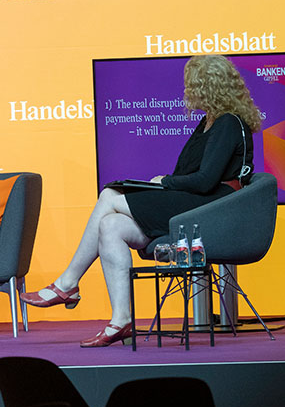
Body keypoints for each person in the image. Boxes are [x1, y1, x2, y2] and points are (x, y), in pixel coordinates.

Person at [20, 54, 262, 347]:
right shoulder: (207, 122)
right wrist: (164, 184)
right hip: (195, 202)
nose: (187, 91)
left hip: (211, 209)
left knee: (110, 195)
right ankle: (121, 321)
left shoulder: (227, 123)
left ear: (208, 87)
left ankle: (68, 283)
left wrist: (165, 183)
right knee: (110, 226)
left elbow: (205, 181)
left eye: (191, 85)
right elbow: (189, 173)